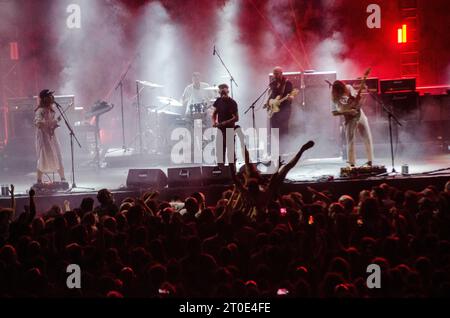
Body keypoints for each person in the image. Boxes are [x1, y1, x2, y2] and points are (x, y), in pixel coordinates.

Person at [331, 80, 374, 167]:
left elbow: (356, 100)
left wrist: (359, 99)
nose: (343, 91)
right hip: (349, 118)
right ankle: (352, 163)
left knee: (367, 137)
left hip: (359, 114)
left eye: (343, 88)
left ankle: (370, 161)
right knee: (350, 141)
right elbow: (334, 112)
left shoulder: (349, 88)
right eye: (340, 90)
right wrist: (347, 112)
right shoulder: (334, 97)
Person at [34, 89, 66, 183]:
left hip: (52, 136)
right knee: (43, 156)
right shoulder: (40, 111)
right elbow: (38, 123)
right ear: (44, 98)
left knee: (58, 154)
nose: (52, 97)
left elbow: (50, 124)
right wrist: (54, 122)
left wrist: (54, 124)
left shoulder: (51, 110)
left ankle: (63, 179)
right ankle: (39, 180)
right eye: (50, 96)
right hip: (43, 137)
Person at [266, 66, 294, 156]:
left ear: (281, 73)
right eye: (274, 73)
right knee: (274, 130)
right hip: (274, 110)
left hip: (284, 109)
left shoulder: (287, 83)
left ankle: (285, 151)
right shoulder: (273, 84)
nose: (275, 75)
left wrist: (289, 98)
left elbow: (290, 96)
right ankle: (276, 151)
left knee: (283, 130)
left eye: (277, 73)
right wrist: (268, 102)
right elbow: (271, 95)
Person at [212, 84, 239, 167]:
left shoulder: (232, 103)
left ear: (227, 91)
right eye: (220, 91)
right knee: (220, 152)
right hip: (220, 129)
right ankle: (221, 170)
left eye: (224, 91)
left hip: (229, 129)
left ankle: (232, 172)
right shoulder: (218, 101)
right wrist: (214, 122)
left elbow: (237, 118)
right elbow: (214, 113)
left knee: (230, 153)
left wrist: (226, 122)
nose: (222, 93)